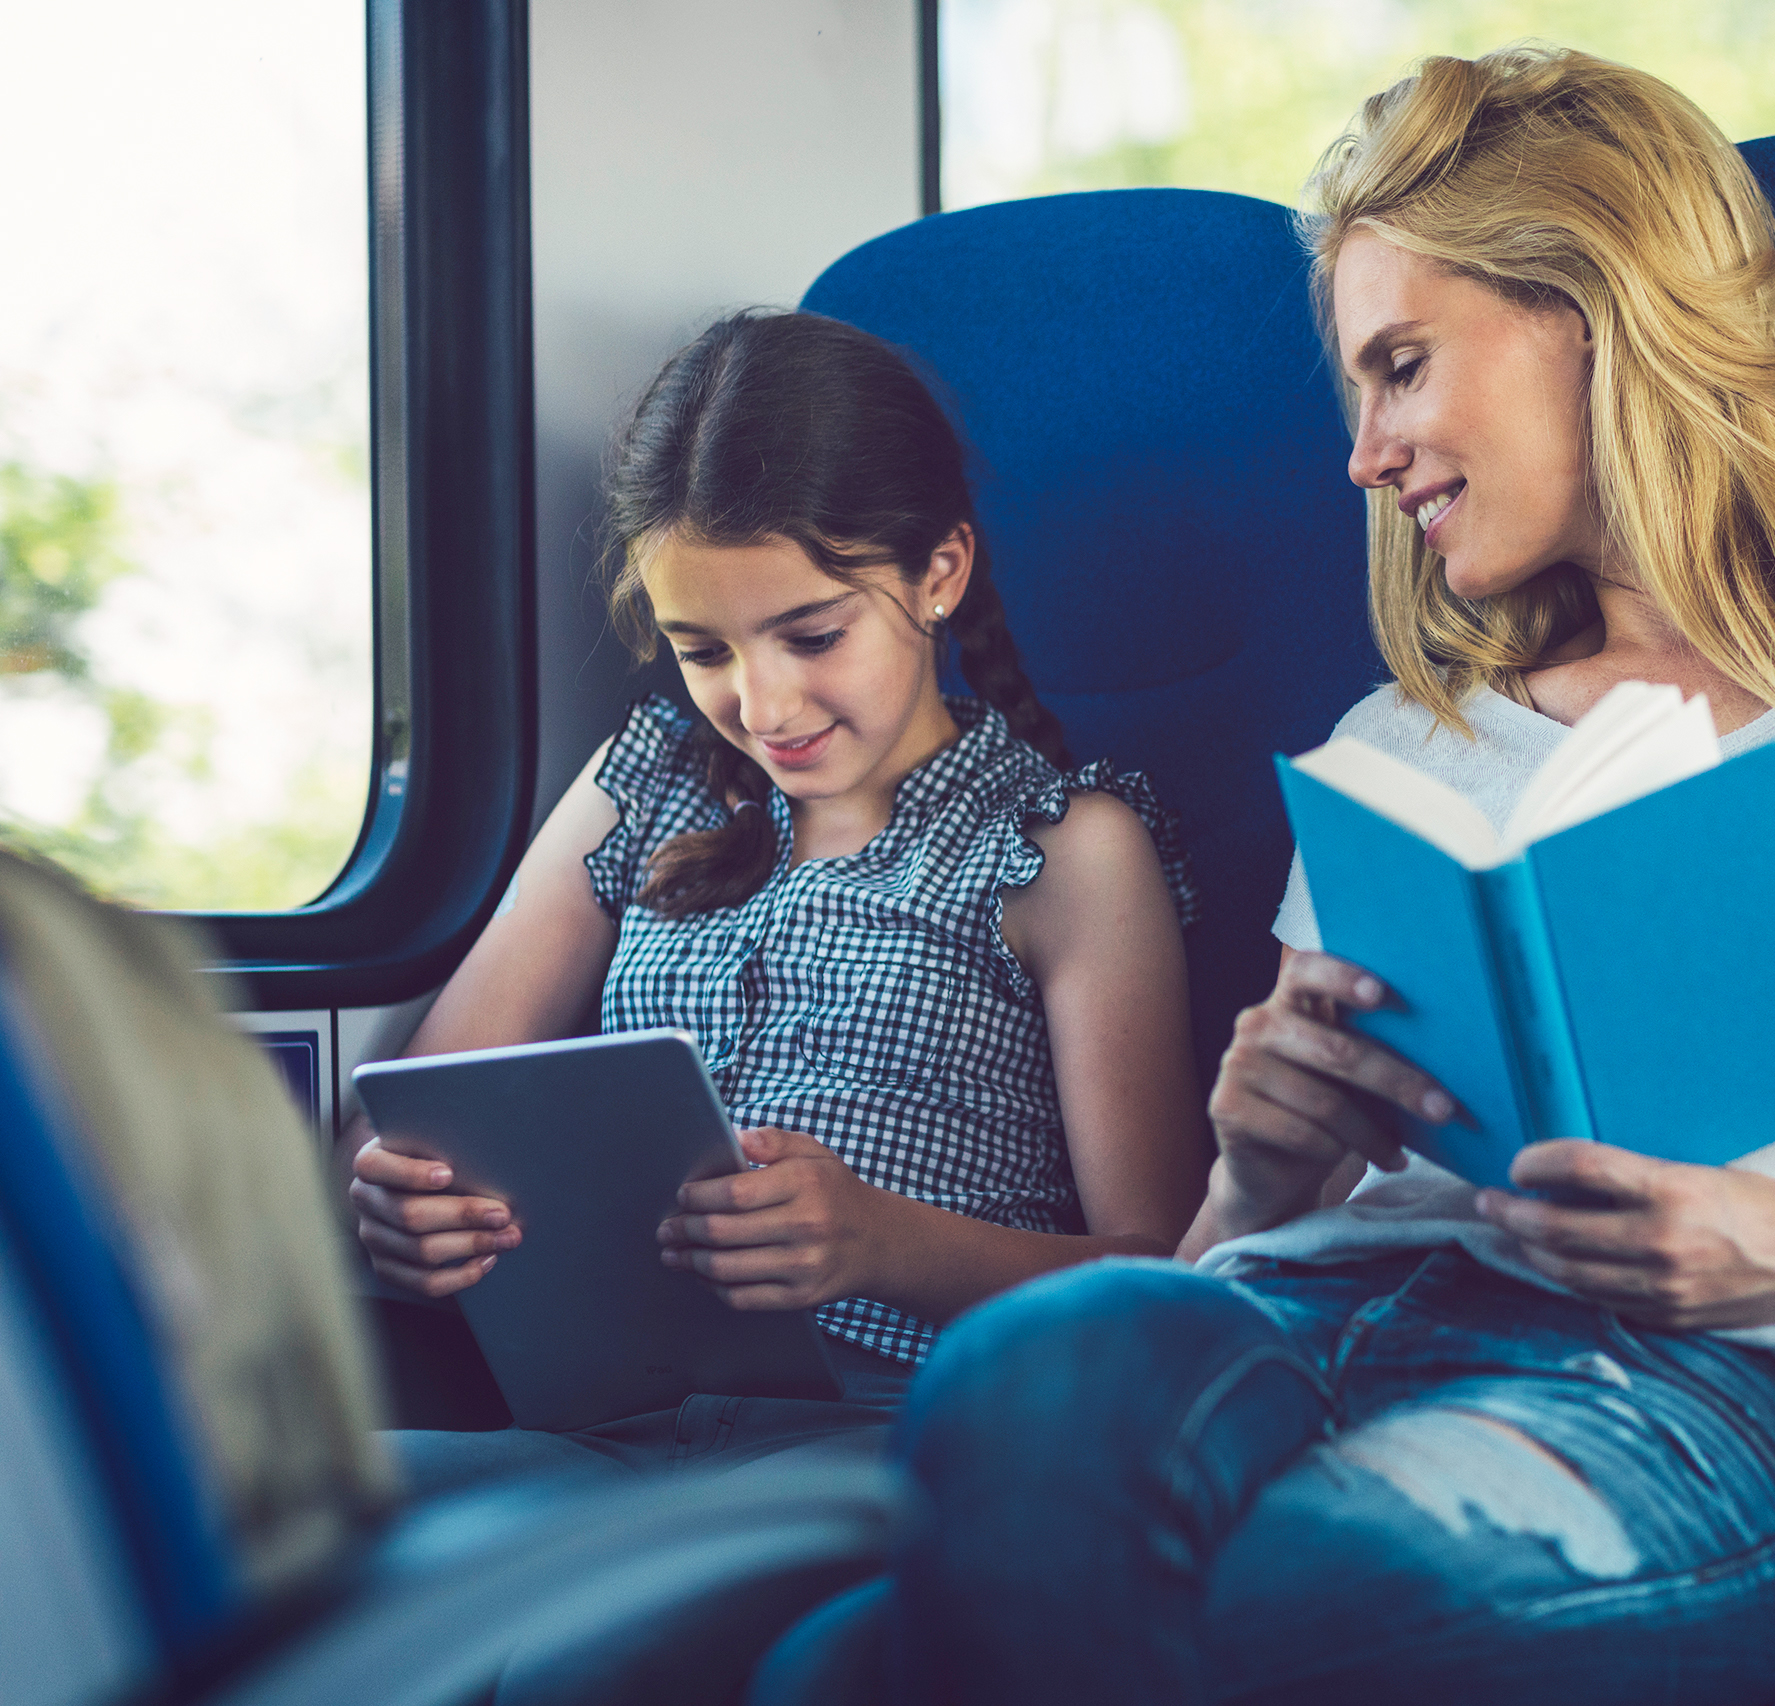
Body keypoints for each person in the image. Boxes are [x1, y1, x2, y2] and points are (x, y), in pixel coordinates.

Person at [874, 46, 1775, 1705]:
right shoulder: (1398, 741)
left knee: (1179, 1618)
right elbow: (1221, 1261)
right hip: (1313, 1318)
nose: (1365, 458)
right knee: (1026, 1384)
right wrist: (1252, 1173)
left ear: (1593, 315)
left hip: (1711, 1386)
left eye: (1401, 367)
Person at [343, 310, 1207, 1493]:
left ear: (938, 572)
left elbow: (1165, 1273)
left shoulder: (1063, 850)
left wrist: (880, 1241)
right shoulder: (639, 784)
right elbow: (404, 1119)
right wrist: (394, 1207)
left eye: (812, 634)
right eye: (703, 650)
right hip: (599, 1428)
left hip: (892, 1437)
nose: (762, 703)